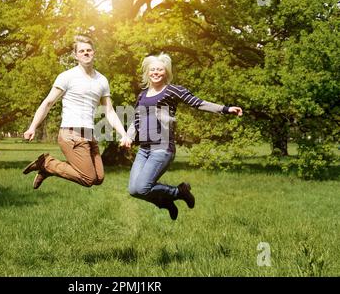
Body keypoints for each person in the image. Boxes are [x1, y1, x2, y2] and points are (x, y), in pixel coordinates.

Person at [127, 53, 243, 220]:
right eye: (152, 69)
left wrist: (225, 109)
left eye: (160, 69)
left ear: (166, 72)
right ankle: (166, 202)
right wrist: (129, 137)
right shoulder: (142, 95)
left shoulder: (173, 90)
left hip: (162, 147)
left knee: (143, 188)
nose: (156, 72)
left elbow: (198, 103)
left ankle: (178, 192)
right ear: (147, 72)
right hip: (144, 149)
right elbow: (136, 120)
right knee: (133, 190)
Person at [23, 35, 130, 189]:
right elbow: (48, 102)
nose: (86, 53)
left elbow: (110, 111)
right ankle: (47, 164)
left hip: (89, 134)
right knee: (88, 178)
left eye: (88, 50)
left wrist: (124, 134)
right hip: (71, 134)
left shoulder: (102, 80)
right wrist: (33, 126)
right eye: (81, 51)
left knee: (98, 178)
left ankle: (48, 169)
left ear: (94, 52)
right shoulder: (67, 77)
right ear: (76, 55)